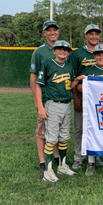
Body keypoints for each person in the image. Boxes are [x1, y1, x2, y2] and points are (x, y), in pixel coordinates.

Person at [70, 44, 103, 176]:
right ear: (94, 56)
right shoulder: (88, 70)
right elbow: (77, 87)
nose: (101, 57)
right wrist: (82, 81)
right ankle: (91, 161)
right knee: (91, 132)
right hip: (93, 108)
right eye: (98, 54)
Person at [35, 40, 78, 182]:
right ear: (54, 51)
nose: (62, 51)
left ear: (69, 53)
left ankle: (62, 165)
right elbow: (39, 85)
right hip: (52, 104)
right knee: (51, 139)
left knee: (64, 137)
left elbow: (69, 84)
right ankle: (47, 171)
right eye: (59, 49)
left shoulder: (70, 66)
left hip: (67, 104)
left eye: (65, 50)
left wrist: (77, 81)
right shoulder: (47, 64)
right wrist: (40, 107)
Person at [68, 23, 101, 169]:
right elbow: (72, 77)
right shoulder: (77, 54)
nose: (94, 36)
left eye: (96, 34)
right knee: (80, 129)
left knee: (98, 128)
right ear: (86, 36)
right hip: (82, 97)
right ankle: (78, 157)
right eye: (91, 34)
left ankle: (96, 156)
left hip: (99, 99)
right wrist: (75, 98)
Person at [30, 19, 59, 172]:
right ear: (44, 33)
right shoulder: (39, 52)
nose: (52, 32)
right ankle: (42, 161)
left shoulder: (63, 49)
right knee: (42, 130)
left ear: (58, 31)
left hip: (60, 97)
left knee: (57, 130)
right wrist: (37, 101)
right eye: (49, 30)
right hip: (45, 97)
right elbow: (33, 77)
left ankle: (56, 156)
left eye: (54, 29)